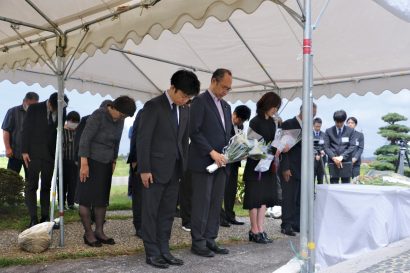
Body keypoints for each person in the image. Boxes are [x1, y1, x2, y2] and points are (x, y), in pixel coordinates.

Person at [136, 70, 200, 269]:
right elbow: (143, 139)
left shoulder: (186, 109)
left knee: (167, 213)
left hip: (175, 170)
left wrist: (184, 165)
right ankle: (152, 252)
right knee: (151, 212)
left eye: (189, 98)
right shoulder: (154, 106)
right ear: (173, 88)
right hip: (153, 170)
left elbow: (183, 140)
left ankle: (164, 249)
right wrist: (144, 169)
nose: (185, 100)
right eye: (183, 96)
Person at [77, 96, 136, 247]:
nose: (121, 118)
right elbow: (85, 139)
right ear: (114, 107)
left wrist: (114, 160)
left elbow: (116, 142)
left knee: (102, 199)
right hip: (90, 162)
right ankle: (88, 234)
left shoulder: (120, 119)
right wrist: (84, 163)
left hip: (106, 163)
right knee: (86, 198)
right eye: (121, 115)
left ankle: (99, 232)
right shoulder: (98, 115)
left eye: (124, 117)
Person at [189, 68, 232, 257]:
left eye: (229, 89)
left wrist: (236, 150)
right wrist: (211, 152)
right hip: (203, 162)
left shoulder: (226, 106)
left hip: (221, 163)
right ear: (213, 81)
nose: (225, 91)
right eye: (224, 87)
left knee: (215, 202)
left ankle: (210, 238)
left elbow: (227, 135)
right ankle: (198, 242)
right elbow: (194, 131)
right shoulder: (199, 101)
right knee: (202, 202)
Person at [22, 92, 69, 227]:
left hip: (50, 154)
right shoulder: (34, 108)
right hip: (33, 153)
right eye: (55, 109)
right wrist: (24, 151)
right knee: (32, 185)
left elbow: (58, 131)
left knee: (46, 186)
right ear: (49, 103)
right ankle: (33, 218)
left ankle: (45, 217)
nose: (57, 111)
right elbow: (26, 129)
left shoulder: (62, 109)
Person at [243, 92, 281, 243]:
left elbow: (275, 140)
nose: (275, 110)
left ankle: (261, 228)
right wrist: (267, 149)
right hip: (256, 165)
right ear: (267, 104)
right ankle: (254, 230)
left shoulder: (273, 122)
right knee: (254, 198)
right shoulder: (255, 121)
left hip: (268, 165)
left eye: (277, 108)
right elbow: (252, 144)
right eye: (274, 106)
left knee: (264, 197)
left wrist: (278, 146)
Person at [280, 103, 317, 236]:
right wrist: (285, 168)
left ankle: (296, 223)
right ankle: (286, 224)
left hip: (304, 167)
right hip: (290, 166)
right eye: (311, 114)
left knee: (299, 197)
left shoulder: (308, 127)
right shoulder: (289, 124)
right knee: (289, 197)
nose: (313, 117)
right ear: (303, 112)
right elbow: (283, 148)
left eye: (314, 115)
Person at [220, 105, 251, 227]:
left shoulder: (241, 126)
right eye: (239, 119)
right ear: (234, 114)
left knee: (231, 191)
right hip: (224, 162)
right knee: (221, 190)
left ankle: (230, 215)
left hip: (234, 163)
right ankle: (220, 217)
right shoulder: (224, 123)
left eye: (242, 121)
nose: (239, 122)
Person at [2, 92, 39, 179]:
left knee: (31, 182)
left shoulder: (37, 115)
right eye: (30, 104)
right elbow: (6, 131)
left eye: (35, 105)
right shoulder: (12, 111)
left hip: (31, 156)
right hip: (14, 153)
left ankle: (28, 193)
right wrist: (7, 148)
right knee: (11, 181)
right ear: (24, 101)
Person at [323, 110, 356, 184]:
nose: (339, 124)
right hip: (333, 162)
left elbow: (352, 146)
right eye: (337, 122)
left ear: (344, 121)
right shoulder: (329, 131)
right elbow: (326, 147)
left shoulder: (350, 131)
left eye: (341, 122)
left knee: (346, 185)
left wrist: (341, 157)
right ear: (334, 121)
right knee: (334, 184)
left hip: (346, 162)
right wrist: (334, 158)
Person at [127, 110, 143, 238]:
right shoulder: (144, 113)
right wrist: (134, 160)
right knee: (139, 197)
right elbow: (136, 137)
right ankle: (139, 227)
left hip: (158, 163)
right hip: (139, 161)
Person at [62, 111, 80, 210]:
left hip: (75, 162)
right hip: (63, 161)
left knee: (73, 184)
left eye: (76, 122)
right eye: (71, 121)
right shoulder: (61, 131)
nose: (73, 123)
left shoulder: (78, 131)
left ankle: (71, 203)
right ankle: (61, 204)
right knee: (62, 183)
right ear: (67, 120)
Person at [313, 117, 326, 184]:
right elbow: (309, 146)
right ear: (313, 125)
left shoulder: (324, 135)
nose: (318, 128)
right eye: (316, 126)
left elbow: (326, 146)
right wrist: (315, 154)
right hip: (312, 161)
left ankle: (320, 194)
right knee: (312, 179)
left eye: (319, 126)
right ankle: (311, 194)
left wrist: (323, 152)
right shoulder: (309, 134)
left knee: (320, 178)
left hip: (322, 160)